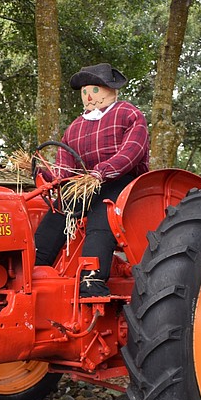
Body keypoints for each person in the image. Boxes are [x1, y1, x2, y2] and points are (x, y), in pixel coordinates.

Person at [33, 63, 150, 297]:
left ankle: (92, 283)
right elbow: (65, 167)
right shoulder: (75, 127)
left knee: (101, 218)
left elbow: (132, 152)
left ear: (110, 90)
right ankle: (32, 270)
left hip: (121, 180)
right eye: (84, 91)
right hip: (84, 184)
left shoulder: (128, 113)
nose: (88, 96)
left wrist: (101, 172)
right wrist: (45, 174)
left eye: (94, 90)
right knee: (57, 213)